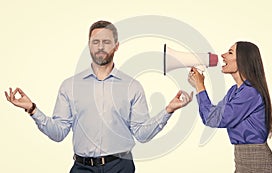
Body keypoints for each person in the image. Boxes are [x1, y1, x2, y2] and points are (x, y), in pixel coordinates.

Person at [4, 20, 193, 173]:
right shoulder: (69, 86)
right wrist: (32, 109)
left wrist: (169, 110)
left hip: (121, 167)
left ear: (116, 46)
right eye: (95, 42)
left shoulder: (132, 87)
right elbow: (58, 133)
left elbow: (142, 135)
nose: (100, 47)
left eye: (106, 42)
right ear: (89, 45)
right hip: (82, 168)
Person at [188, 41, 272, 172]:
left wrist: (200, 86)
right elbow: (212, 117)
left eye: (230, 52)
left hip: (259, 165)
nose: (223, 55)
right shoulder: (234, 91)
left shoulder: (251, 92)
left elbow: (217, 119)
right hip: (242, 163)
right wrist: (198, 86)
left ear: (243, 60)